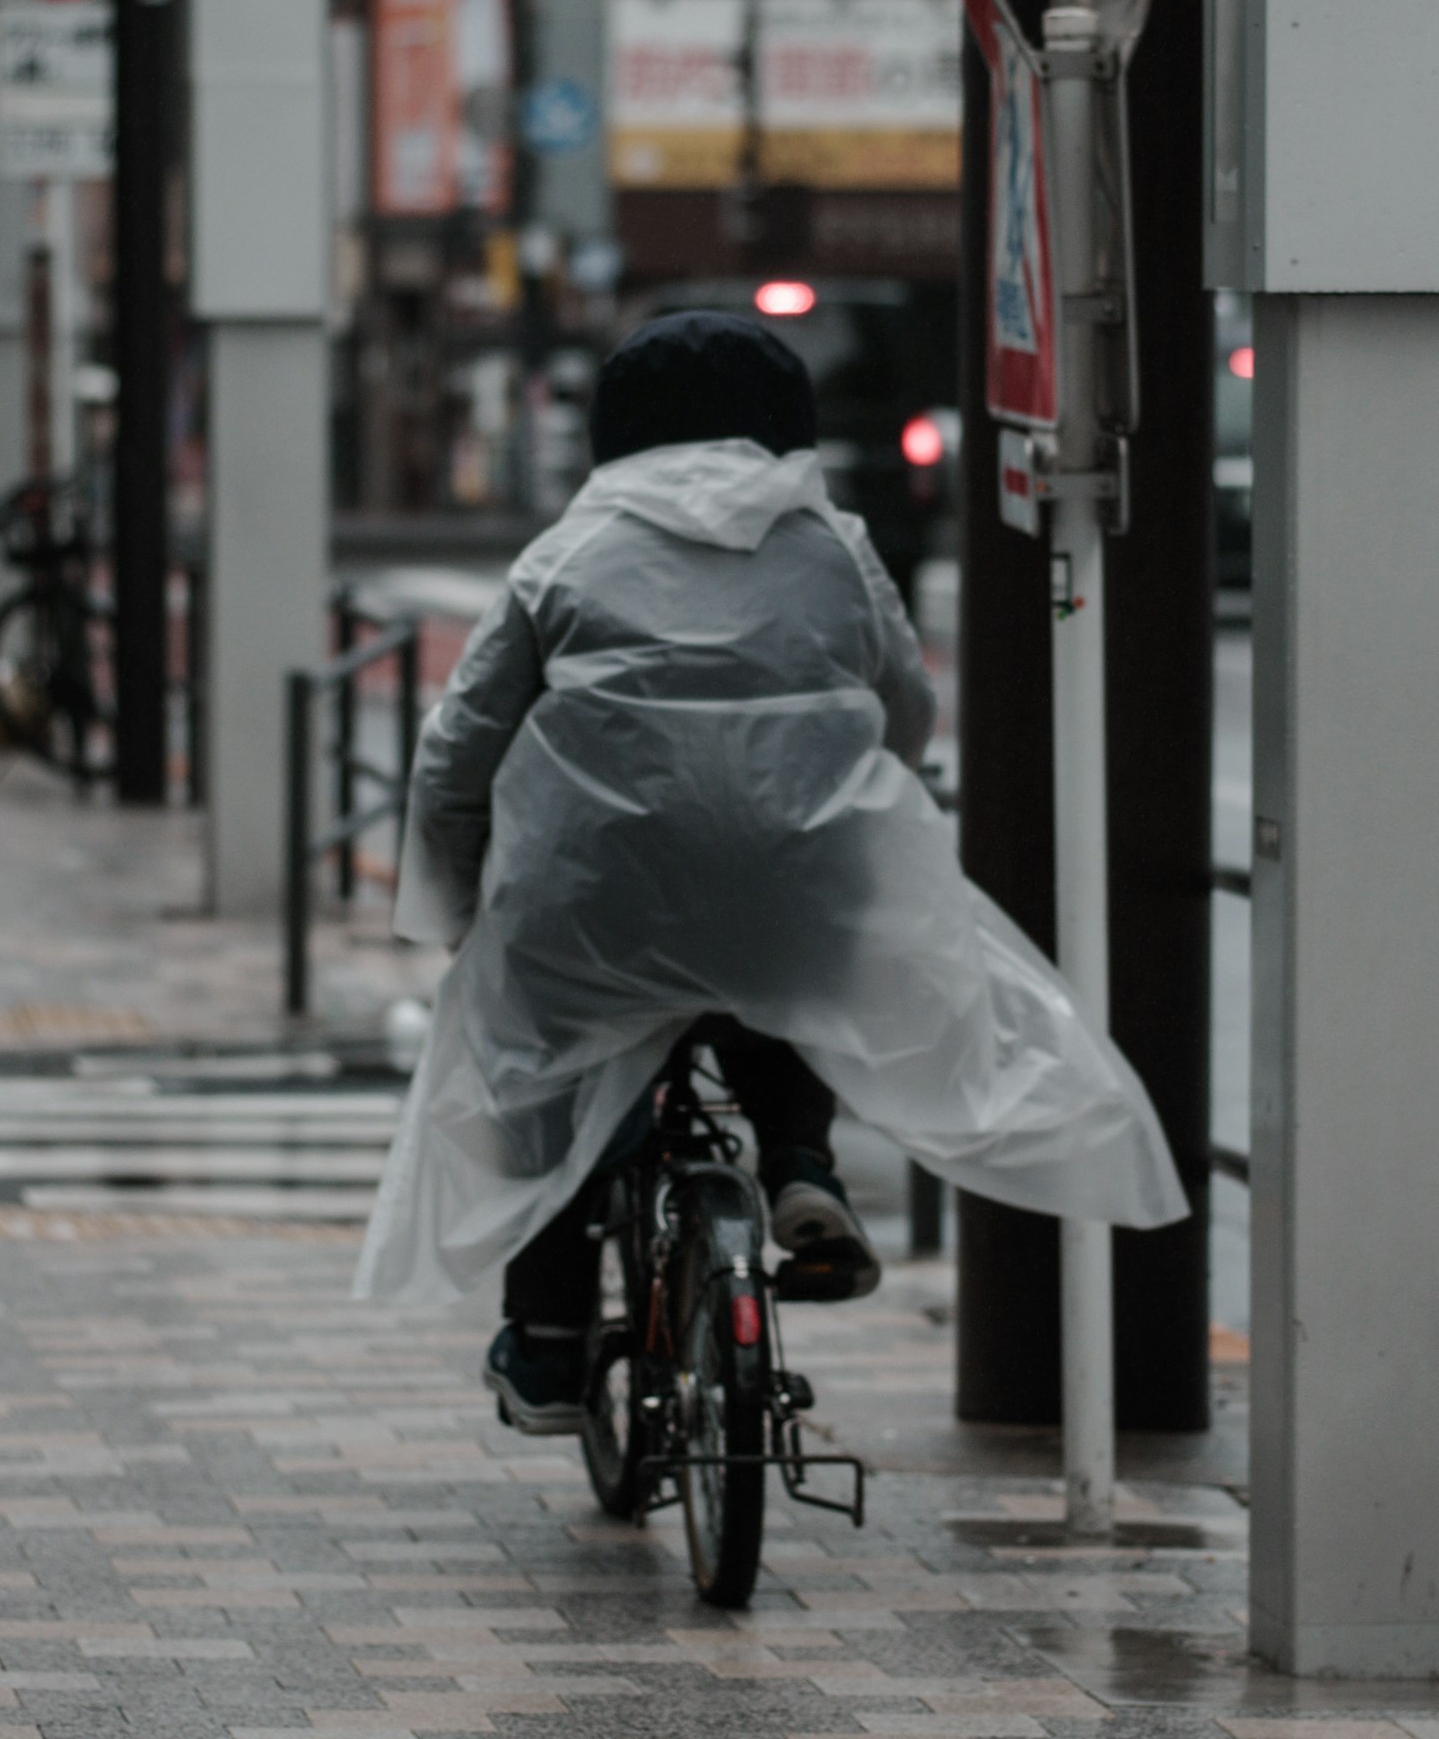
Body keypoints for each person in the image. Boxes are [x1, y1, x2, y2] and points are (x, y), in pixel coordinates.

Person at [352, 311, 1185, 1434]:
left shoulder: (568, 553)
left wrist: (454, 901)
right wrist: (837, 806)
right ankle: (800, 1168)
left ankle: (548, 1344)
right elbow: (905, 704)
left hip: (599, 895)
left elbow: (461, 746)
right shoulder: (832, 545)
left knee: (541, 1065)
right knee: (794, 969)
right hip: (801, 864)